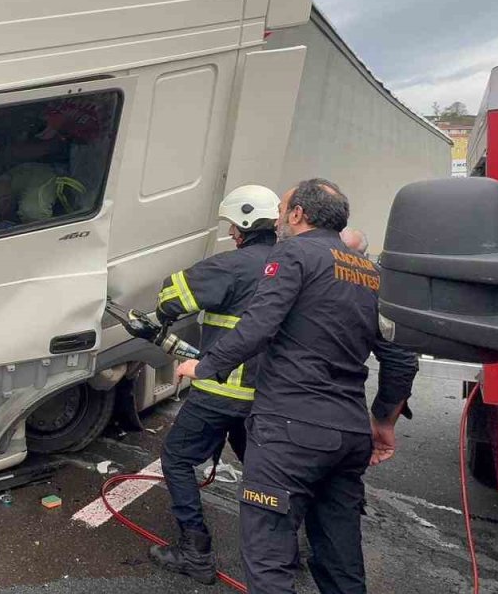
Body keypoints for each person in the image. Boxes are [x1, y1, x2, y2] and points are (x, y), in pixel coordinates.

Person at [175, 178, 417, 594]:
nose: (279, 219)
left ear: (298, 215)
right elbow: (400, 356)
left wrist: (204, 366)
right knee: (341, 559)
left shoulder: (293, 254)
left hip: (290, 430)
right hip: (349, 435)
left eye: (283, 210)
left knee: (269, 560)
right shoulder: (368, 270)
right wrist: (383, 420)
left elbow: (258, 327)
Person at [149, 184, 281, 584]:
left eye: (231, 226)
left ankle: (196, 550)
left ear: (241, 225)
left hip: (221, 390)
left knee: (176, 458)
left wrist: (163, 309)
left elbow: (172, 298)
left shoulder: (233, 265)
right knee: (262, 470)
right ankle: (283, 550)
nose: (230, 234)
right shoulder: (290, 264)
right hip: (268, 394)